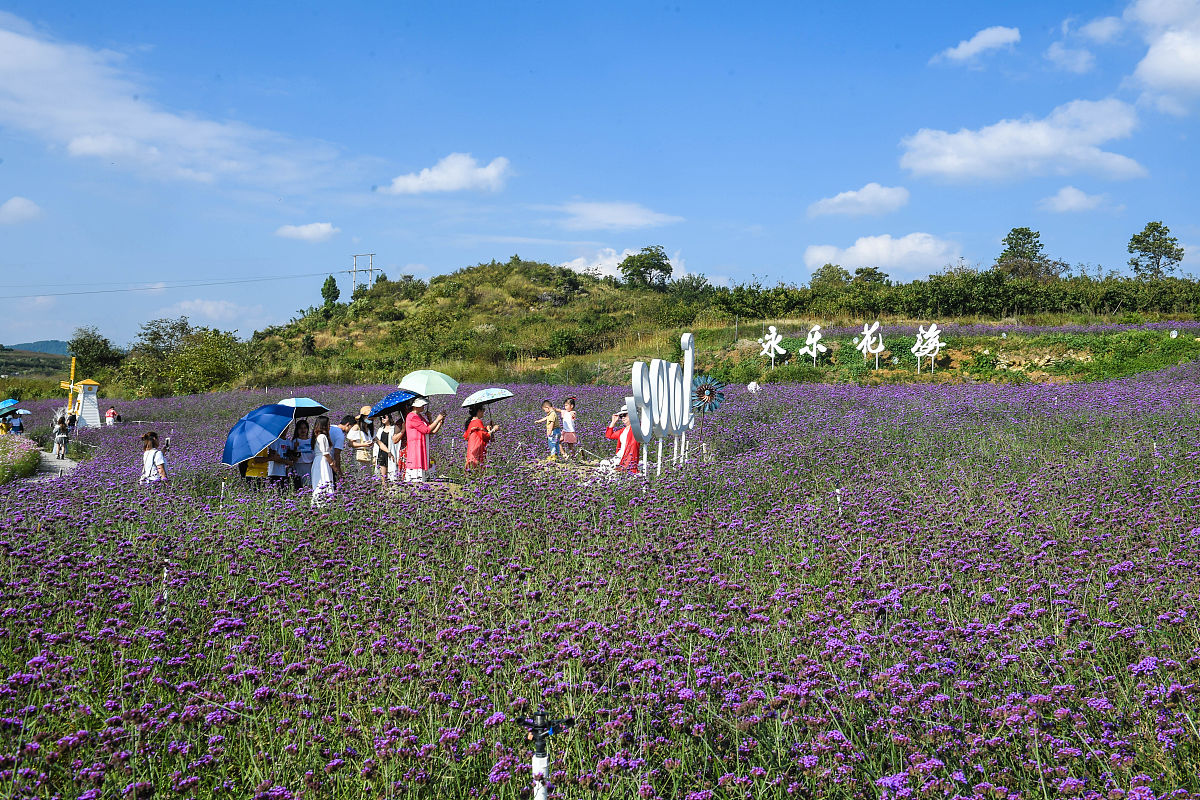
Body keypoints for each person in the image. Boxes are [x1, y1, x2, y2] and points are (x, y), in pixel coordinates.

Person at [404, 398, 445, 482]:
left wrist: (438, 421)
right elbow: (426, 430)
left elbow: (432, 431)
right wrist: (437, 419)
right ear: (415, 406)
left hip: (422, 445)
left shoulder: (419, 416)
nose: (423, 406)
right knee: (416, 464)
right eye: (422, 405)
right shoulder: (412, 416)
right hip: (416, 446)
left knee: (422, 464)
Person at [601, 408, 640, 474]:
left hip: (628, 457)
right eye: (621, 416)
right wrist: (613, 422)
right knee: (604, 464)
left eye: (625, 415)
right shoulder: (623, 430)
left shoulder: (636, 429)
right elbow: (609, 435)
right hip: (620, 456)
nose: (623, 418)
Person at [463, 404, 499, 471]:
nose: (483, 412)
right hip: (477, 450)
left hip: (472, 450)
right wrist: (494, 429)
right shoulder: (477, 421)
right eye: (483, 410)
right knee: (477, 469)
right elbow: (484, 436)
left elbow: (479, 433)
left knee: (471, 469)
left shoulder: (472, 422)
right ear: (479, 411)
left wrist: (488, 429)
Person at [310, 416, 335, 505]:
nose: (329, 426)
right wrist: (332, 463)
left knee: (319, 482)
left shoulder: (317, 436)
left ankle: (319, 502)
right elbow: (325, 453)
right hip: (322, 462)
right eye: (328, 424)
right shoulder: (322, 437)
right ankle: (324, 503)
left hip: (318, 461)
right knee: (324, 480)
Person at [267, 425, 295, 491]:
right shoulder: (274, 441)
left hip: (286, 473)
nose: (285, 429)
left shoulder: (289, 442)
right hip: (275, 472)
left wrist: (295, 448)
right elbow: (275, 458)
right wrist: (288, 462)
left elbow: (292, 456)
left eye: (286, 427)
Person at [291, 419, 314, 490]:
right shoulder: (294, 441)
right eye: (300, 428)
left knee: (309, 487)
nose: (303, 430)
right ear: (297, 430)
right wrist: (295, 448)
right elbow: (292, 457)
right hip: (298, 466)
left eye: (305, 428)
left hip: (310, 466)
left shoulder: (312, 441)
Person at [373, 414, 393, 481]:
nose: (382, 419)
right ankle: (384, 488)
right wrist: (375, 456)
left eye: (384, 417)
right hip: (381, 453)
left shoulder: (393, 428)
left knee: (391, 473)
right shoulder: (380, 429)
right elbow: (377, 444)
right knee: (383, 476)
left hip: (391, 453)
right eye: (381, 418)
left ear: (389, 417)